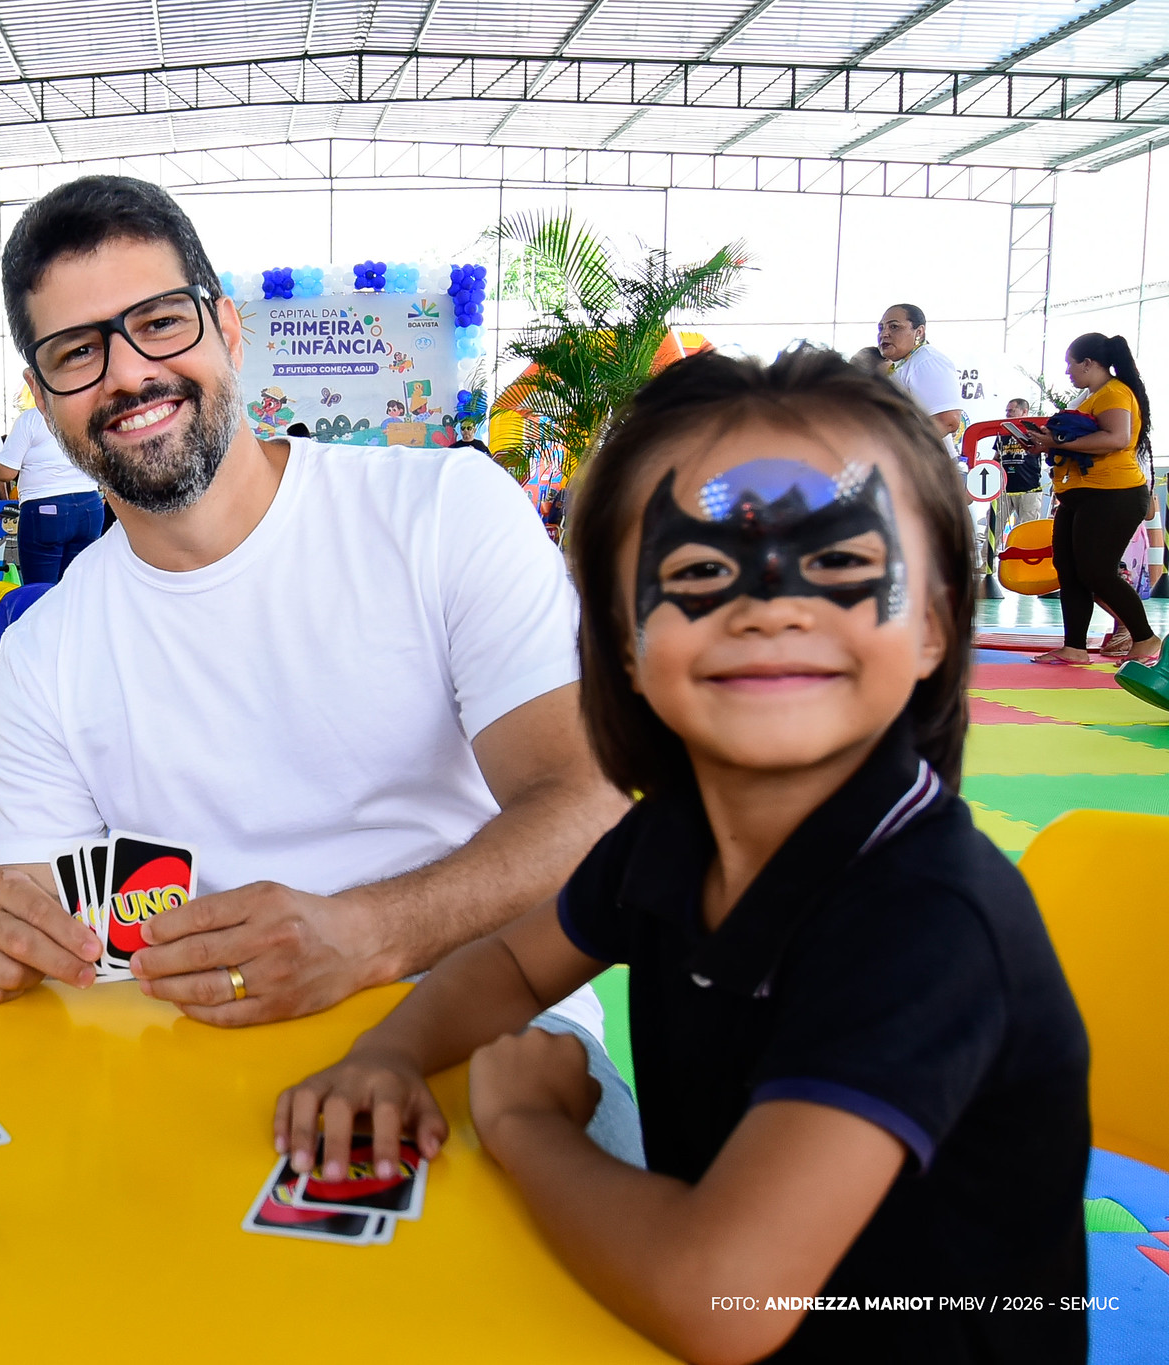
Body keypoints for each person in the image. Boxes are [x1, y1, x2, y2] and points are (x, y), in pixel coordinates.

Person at [279, 348, 1087, 1363]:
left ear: (932, 625)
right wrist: (387, 1055)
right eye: (699, 570)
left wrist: (527, 1123)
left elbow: (721, 1298)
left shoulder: (928, 921)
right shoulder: (675, 833)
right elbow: (515, 963)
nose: (768, 603)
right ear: (622, 642)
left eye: (840, 563)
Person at [0, 176, 633, 1145]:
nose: (128, 373)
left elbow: (589, 809)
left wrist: (367, 936)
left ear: (227, 328)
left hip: (492, 1030)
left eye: (158, 322)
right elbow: (25, 906)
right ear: (40, 397)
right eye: (77, 351)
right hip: (187, 1059)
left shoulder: (442, 512)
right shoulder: (45, 652)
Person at [1022, 332, 1162, 665]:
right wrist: (1047, 443)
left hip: (1114, 494)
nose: (1067, 372)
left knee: (1097, 571)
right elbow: (1081, 440)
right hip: (1079, 494)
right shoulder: (1088, 396)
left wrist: (1058, 442)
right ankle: (1074, 647)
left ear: (1088, 363)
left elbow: (1116, 438)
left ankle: (1145, 638)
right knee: (1069, 570)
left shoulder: (1114, 392)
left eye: (1070, 364)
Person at [0, 402, 101, 584]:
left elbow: (5, 472)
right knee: (78, 586)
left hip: (44, 507)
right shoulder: (85, 411)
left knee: (41, 590)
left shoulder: (31, 418)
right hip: (90, 504)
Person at [876, 304, 964, 440]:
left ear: (919, 332)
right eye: (881, 328)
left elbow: (946, 421)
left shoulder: (926, 361)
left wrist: (899, 449)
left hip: (919, 454)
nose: (883, 334)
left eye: (894, 326)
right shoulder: (903, 364)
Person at [986, 396, 1044, 573]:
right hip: (1004, 490)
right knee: (993, 526)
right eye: (1007, 411)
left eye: (1011, 410)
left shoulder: (1034, 432)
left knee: (1028, 529)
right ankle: (987, 563)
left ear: (1024, 411)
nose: (1008, 413)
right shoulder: (1002, 433)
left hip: (1029, 489)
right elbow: (996, 458)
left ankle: (1026, 565)